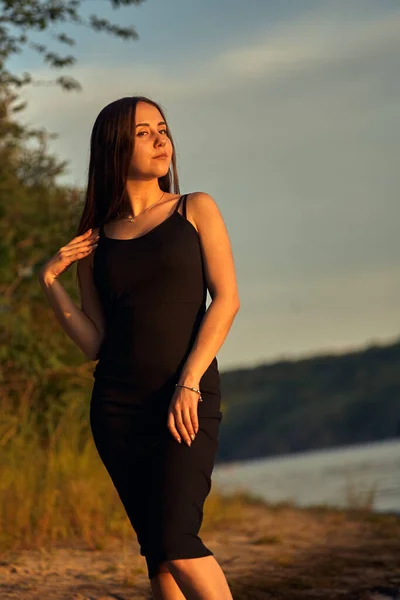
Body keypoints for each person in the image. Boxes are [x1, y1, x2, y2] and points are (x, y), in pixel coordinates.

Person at [38, 96, 240, 600]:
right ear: (113, 148)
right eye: (143, 132)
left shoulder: (195, 208)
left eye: (163, 129)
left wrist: (189, 382)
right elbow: (96, 344)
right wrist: (49, 281)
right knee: (160, 557)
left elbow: (227, 300)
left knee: (176, 540)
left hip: (185, 399)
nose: (160, 139)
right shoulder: (95, 245)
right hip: (117, 411)